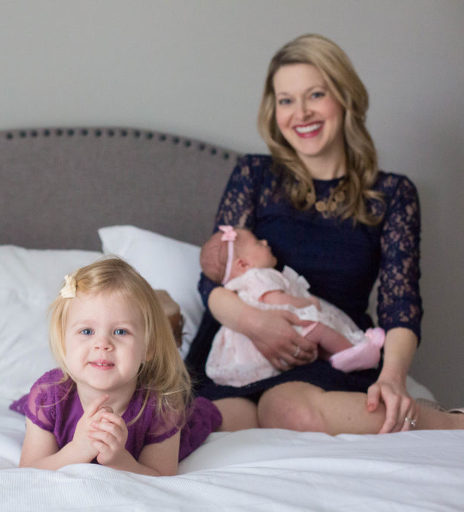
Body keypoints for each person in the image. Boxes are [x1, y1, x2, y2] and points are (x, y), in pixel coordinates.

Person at [185, 33, 464, 434]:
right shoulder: (255, 175)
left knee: (287, 411)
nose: (300, 113)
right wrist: (257, 324)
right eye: (286, 100)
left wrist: (393, 376)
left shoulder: (391, 195)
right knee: (208, 424)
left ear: (344, 97)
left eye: (315, 95)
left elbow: (400, 304)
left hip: (327, 352)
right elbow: (211, 282)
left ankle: (450, 423)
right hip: (239, 348)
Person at [11, 257, 221, 476]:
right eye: (87, 331)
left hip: (170, 420)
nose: (102, 344)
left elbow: (161, 475)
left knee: (204, 415)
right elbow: (28, 470)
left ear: (147, 348)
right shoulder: (47, 397)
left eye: (120, 332)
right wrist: (77, 450)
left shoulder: (162, 407)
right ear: (64, 342)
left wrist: (119, 460)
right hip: (58, 405)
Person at [201, 225, 385, 387]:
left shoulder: (242, 283)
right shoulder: (258, 276)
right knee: (318, 329)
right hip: (279, 325)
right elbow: (276, 301)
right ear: (243, 263)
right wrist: (306, 302)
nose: (265, 242)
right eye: (258, 243)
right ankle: (351, 351)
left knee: (313, 344)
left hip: (269, 333)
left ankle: (338, 355)